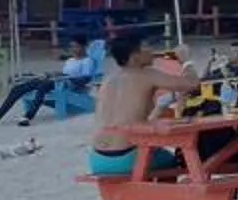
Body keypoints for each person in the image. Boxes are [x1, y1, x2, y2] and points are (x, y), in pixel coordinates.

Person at [86, 32, 201, 180]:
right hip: (126, 157)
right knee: (173, 161)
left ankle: (151, 194)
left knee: (152, 153)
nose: (152, 51)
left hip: (98, 158)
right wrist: (186, 62)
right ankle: (161, 196)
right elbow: (192, 84)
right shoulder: (146, 74)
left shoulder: (108, 80)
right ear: (135, 57)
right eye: (147, 47)